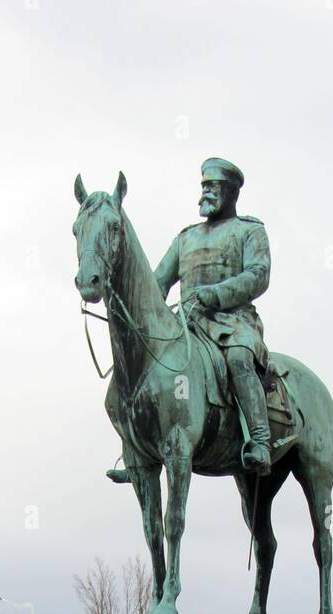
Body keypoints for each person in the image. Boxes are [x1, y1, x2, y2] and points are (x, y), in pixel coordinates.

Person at [108, 157, 273, 482]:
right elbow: (156, 284)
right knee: (143, 366)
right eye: (204, 187)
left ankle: (261, 440)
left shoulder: (249, 231)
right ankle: (138, 449)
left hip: (232, 323)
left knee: (239, 358)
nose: (206, 194)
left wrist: (217, 293)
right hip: (188, 324)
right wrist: (127, 305)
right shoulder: (186, 239)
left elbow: (259, 275)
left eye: (213, 188)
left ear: (231, 192)